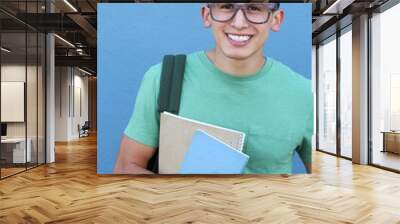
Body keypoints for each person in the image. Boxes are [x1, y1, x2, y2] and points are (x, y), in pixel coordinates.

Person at [114, 3, 313, 174]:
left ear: (276, 19)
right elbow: (125, 167)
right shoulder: (162, 77)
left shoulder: (305, 94)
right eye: (226, 6)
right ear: (207, 15)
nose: (239, 23)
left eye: (254, 8)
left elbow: (329, 179)